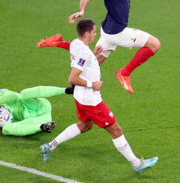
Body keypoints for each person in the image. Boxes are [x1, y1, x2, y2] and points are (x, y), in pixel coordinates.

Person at [39, 19, 158, 173]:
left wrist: (92, 54)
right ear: (87, 33)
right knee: (116, 130)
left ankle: (49, 146)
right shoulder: (83, 52)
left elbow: (77, 52)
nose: (96, 34)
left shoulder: (76, 43)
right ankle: (137, 164)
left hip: (80, 97)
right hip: (91, 100)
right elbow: (72, 78)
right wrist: (92, 85)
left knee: (86, 125)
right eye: (94, 32)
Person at [67, 0, 169, 94]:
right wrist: (82, 11)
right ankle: (124, 73)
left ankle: (75, 86)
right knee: (155, 44)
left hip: (107, 30)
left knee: (94, 62)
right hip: (117, 32)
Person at [0, 86, 74, 136]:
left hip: (36, 106)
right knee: (6, 129)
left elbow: (14, 96)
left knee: (24, 93)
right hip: (37, 119)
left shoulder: (0, 94)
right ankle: (43, 127)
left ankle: (66, 90)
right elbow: (15, 124)